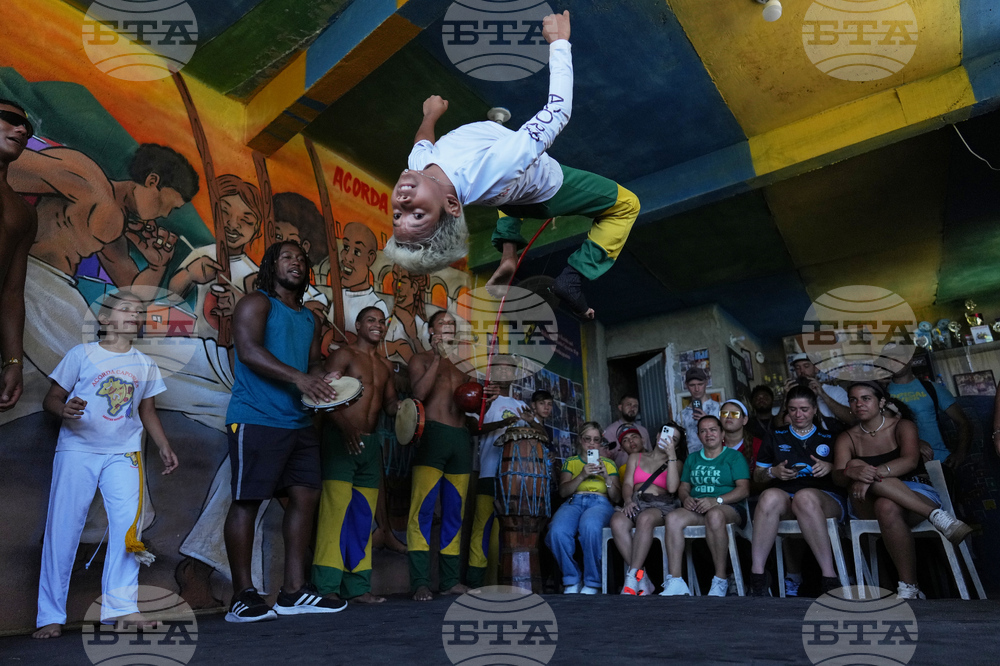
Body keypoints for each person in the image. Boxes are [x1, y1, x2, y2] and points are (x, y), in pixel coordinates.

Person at [383, 11, 639, 319]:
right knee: (627, 205)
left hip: (509, 192)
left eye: (398, 213)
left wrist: (430, 115)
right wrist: (559, 44)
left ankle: (508, 255)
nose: (404, 200)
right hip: (548, 192)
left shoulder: (420, 165)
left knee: (508, 194)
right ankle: (573, 278)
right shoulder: (495, 165)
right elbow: (558, 112)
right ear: (450, 204)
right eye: (418, 213)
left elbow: (422, 141)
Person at [33, 289, 179, 639]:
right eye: (126, 309)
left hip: (124, 454)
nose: (134, 314)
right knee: (63, 529)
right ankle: (49, 615)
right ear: (103, 319)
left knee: (129, 529)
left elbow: (147, 412)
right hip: (77, 451)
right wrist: (63, 408)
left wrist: (163, 446)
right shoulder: (82, 355)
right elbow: (51, 399)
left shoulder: (144, 364)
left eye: (139, 312)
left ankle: (122, 609)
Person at [223, 241, 346, 622]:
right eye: (287, 257)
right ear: (271, 265)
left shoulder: (310, 318)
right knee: (248, 501)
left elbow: (309, 365)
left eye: (302, 258)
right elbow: (247, 350)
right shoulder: (256, 303)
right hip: (257, 417)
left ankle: (293, 592)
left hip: (299, 422)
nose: (296, 263)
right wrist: (299, 378)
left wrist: (327, 382)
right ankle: (242, 595)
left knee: (304, 500)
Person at [833, 382, 972, 599]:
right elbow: (837, 477)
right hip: (865, 502)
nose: (859, 404)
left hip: (914, 494)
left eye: (866, 398)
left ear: (881, 402)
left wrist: (870, 475)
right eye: (853, 399)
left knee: (886, 504)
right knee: (855, 467)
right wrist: (852, 473)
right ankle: (937, 516)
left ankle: (909, 588)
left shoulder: (903, 426)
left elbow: (910, 461)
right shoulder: (847, 437)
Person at [312, 306, 399, 604]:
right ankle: (327, 586)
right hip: (340, 440)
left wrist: (409, 411)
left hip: (370, 445)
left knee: (362, 516)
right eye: (371, 320)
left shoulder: (386, 367)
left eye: (382, 322)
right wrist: (344, 426)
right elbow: (322, 395)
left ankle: (359, 587)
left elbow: (390, 407)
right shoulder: (344, 355)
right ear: (359, 325)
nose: (378, 325)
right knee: (334, 514)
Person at [748, 385, 847, 597]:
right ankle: (758, 577)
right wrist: (773, 472)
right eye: (792, 409)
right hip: (786, 497)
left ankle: (829, 578)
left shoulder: (830, 437)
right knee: (768, 497)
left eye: (803, 409)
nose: (798, 414)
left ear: (814, 410)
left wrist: (830, 467)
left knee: (804, 497)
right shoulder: (776, 435)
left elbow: (844, 474)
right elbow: (758, 475)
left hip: (824, 498)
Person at [406, 310, 476, 601]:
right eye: (442, 322)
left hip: (460, 438)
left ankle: (449, 581)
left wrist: (487, 395)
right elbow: (419, 395)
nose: (448, 326)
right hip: (432, 435)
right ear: (431, 330)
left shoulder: (464, 366)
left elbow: (472, 413)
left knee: (454, 512)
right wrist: (437, 357)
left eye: (451, 323)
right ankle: (420, 581)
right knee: (421, 511)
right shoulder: (420, 359)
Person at [466, 358, 542, 588]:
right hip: (489, 473)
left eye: (508, 367)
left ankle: (501, 582)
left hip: (517, 481)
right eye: (497, 367)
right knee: (482, 530)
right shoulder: (483, 401)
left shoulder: (520, 404)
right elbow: (472, 428)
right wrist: (502, 424)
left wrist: (532, 423)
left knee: (506, 534)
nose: (503, 371)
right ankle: (475, 582)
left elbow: (542, 436)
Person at [662, 416, 750, 597]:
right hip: (697, 509)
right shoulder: (693, 459)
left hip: (728, 507)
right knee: (672, 518)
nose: (708, 434)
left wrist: (716, 500)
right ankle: (676, 580)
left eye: (713, 430)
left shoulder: (734, 457)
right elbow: (684, 487)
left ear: (722, 433)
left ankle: (720, 579)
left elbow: (744, 490)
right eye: (703, 431)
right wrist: (685, 498)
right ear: (698, 436)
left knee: (715, 515)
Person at [545, 421, 621, 594]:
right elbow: (563, 492)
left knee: (590, 527)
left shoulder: (609, 464)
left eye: (596, 440)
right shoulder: (571, 462)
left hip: (600, 502)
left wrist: (607, 478)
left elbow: (616, 497)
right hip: (574, 501)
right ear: (580, 440)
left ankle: (593, 581)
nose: (592, 444)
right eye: (588, 439)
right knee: (557, 531)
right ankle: (571, 578)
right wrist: (582, 475)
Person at [610, 422, 685, 596]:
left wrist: (672, 456)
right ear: (658, 435)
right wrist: (627, 501)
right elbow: (628, 483)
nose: (667, 440)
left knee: (645, 519)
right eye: (665, 435)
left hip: (661, 504)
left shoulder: (677, 462)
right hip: (636, 501)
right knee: (617, 521)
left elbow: (673, 488)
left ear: (677, 445)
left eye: (673, 439)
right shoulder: (636, 457)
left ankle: (632, 578)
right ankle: (642, 578)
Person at [0, 98, 36, 411]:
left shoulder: (23, 214)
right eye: (10, 119)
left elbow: (11, 293)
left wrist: (12, 361)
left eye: (27, 127)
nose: (22, 129)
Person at [887, 356, 970, 468]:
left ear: (910, 359)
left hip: (940, 460)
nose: (893, 363)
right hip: (901, 464)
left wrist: (960, 454)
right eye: (889, 359)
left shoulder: (932, 388)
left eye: (897, 358)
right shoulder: (882, 393)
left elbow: (963, 422)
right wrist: (914, 443)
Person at [781, 353, 853, 429]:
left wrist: (823, 394)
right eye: (798, 368)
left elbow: (852, 419)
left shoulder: (835, 391)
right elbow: (779, 425)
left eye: (806, 366)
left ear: (816, 368)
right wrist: (786, 398)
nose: (802, 371)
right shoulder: (794, 395)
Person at [679, 368, 720, 453]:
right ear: (686, 385)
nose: (697, 389)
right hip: (693, 459)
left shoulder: (720, 407)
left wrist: (708, 420)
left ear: (706, 383)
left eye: (700, 384)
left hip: (717, 456)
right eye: (692, 385)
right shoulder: (681, 416)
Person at [603, 394, 651, 466]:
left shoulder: (643, 430)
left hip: (646, 472)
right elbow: (606, 459)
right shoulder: (610, 431)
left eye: (635, 406)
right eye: (629, 405)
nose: (632, 408)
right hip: (622, 474)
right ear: (620, 407)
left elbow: (650, 454)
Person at [721, 399, 762, 471]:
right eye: (724, 413)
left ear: (744, 420)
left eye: (735, 414)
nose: (729, 416)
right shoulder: (713, 445)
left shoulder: (757, 445)